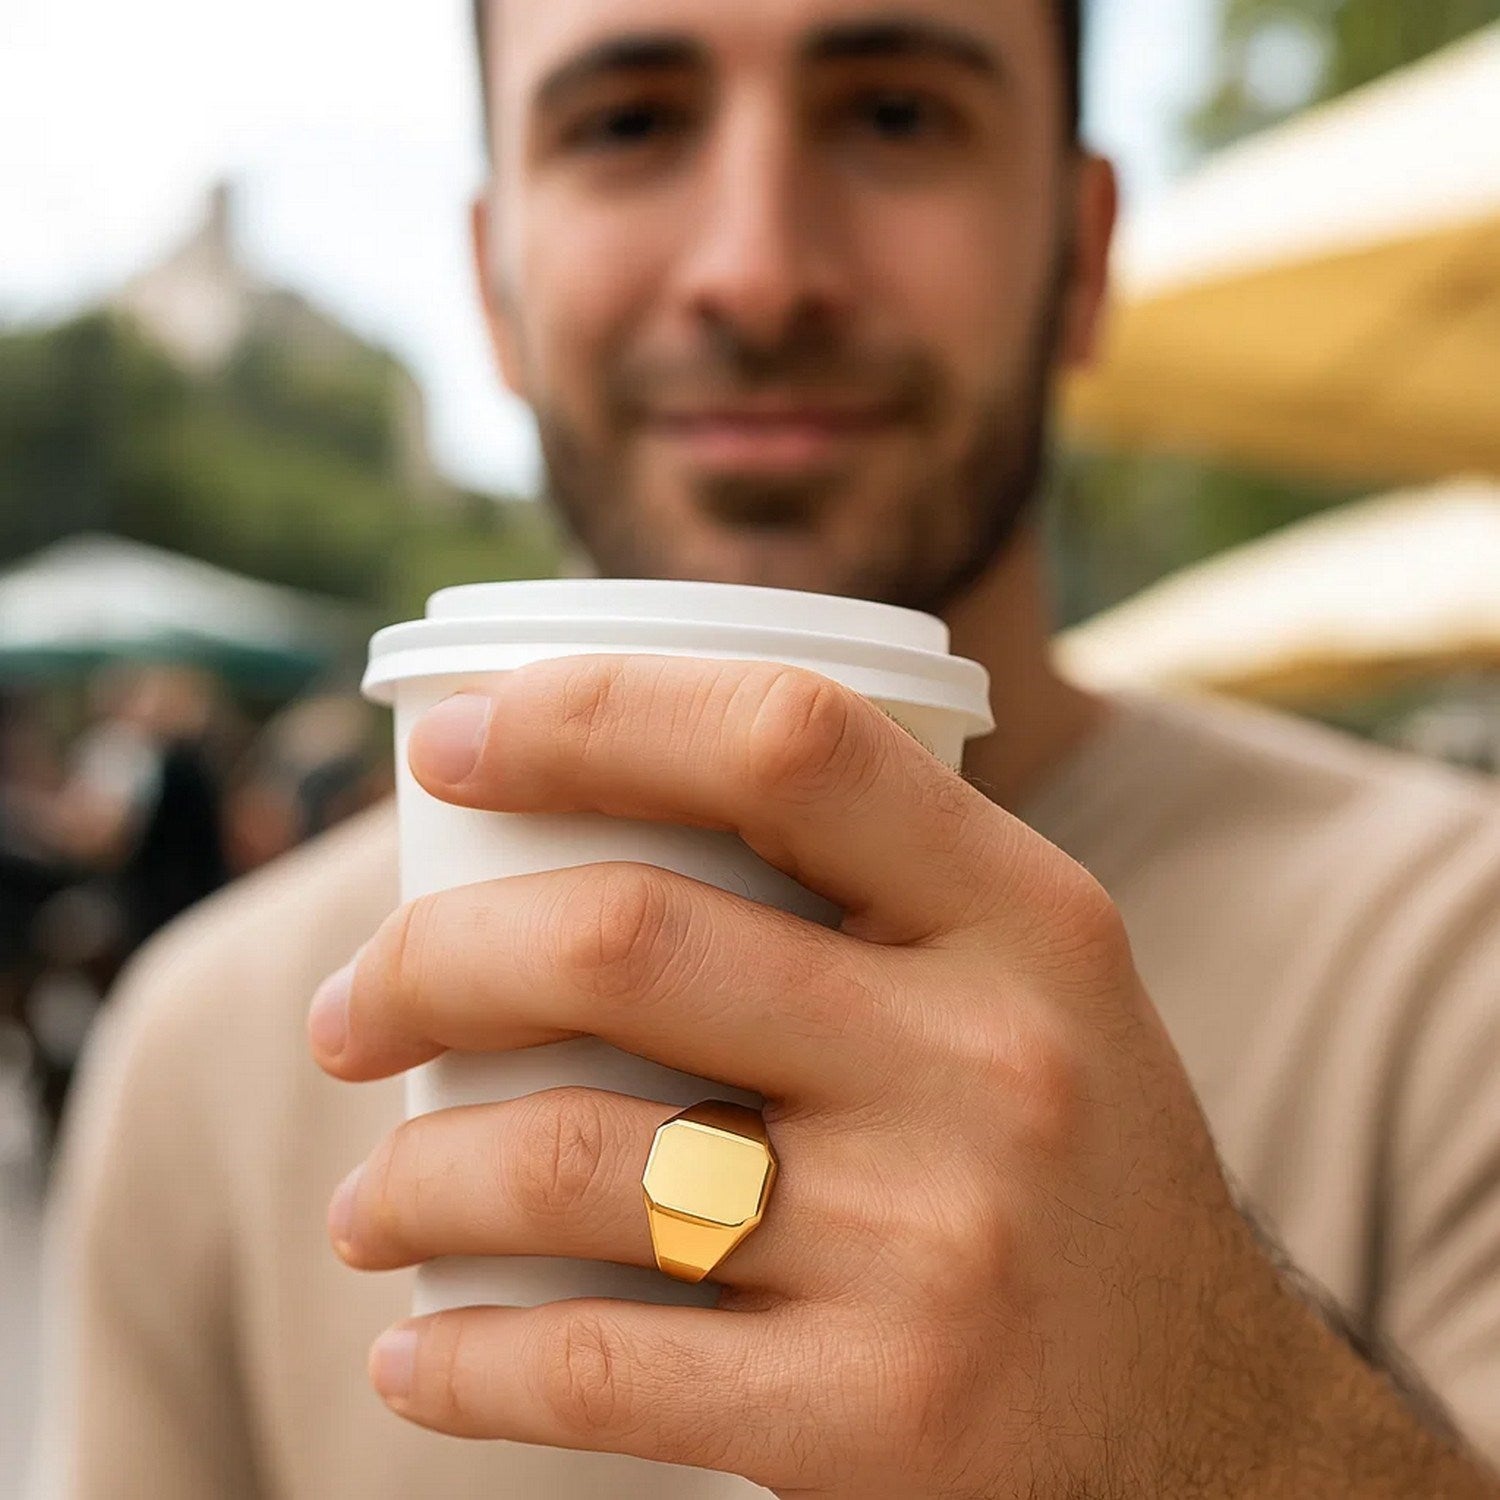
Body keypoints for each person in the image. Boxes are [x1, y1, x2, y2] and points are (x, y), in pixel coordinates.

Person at [27, 2, 1500, 1496]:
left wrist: (1222, 1424)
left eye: (896, 115)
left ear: (1083, 243)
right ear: (493, 279)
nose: (759, 271)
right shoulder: (202, 1055)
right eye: (628, 125)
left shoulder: (1461, 962)